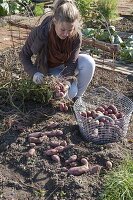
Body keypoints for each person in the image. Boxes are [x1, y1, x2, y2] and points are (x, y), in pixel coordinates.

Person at [19, 0, 95, 101]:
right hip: (49, 68)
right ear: (55, 22)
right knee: (70, 93)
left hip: (67, 66)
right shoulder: (40, 32)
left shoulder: (76, 36)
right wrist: (34, 73)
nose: (66, 34)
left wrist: (67, 83)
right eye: (62, 29)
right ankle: (73, 90)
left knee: (88, 62)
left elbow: (72, 63)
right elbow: (24, 55)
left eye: (70, 30)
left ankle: (78, 98)